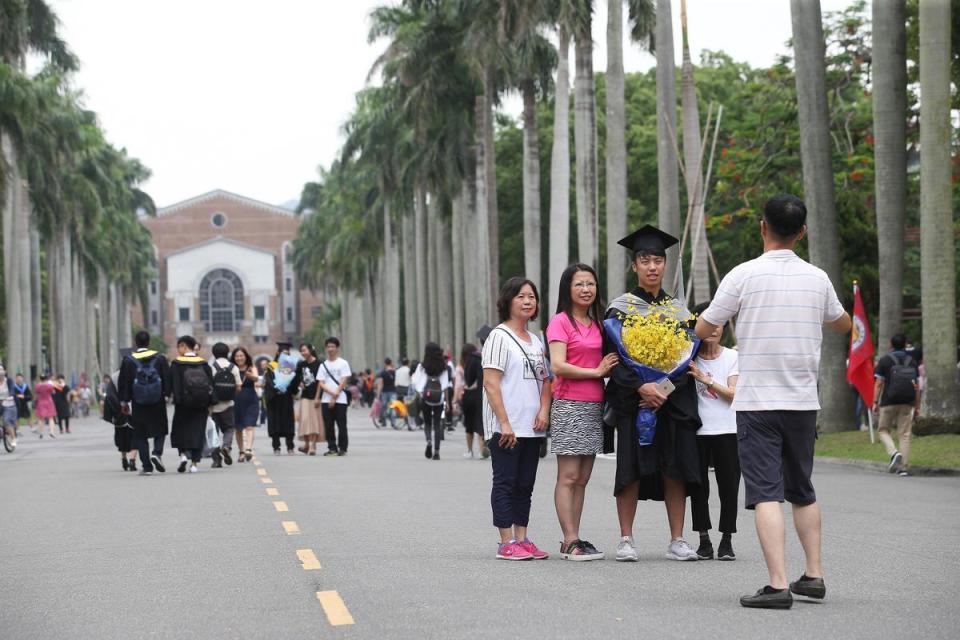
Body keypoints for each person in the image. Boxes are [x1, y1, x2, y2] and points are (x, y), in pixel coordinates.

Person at [697, 194, 851, 609]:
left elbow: (704, 325)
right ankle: (814, 576)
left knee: (766, 492)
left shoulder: (743, 275)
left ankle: (778, 584)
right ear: (802, 231)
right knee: (802, 489)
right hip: (802, 402)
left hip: (758, 401)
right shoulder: (817, 278)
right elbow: (843, 324)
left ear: (762, 227)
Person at [604, 225, 702, 563]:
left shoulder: (679, 312)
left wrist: (661, 389)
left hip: (671, 402)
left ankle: (677, 539)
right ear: (635, 266)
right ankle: (626, 539)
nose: (652, 266)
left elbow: (687, 361)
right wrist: (641, 387)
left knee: (674, 470)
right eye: (645, 260)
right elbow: (614, 360)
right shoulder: (619, 310)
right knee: (630, 470)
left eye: (658, 260)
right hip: (634, 402)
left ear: (664, 265)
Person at [547, 264, 619, 561]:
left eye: (591, 284)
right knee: (568, 475)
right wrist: (597, 371)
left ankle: (575, 536)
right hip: (568, 404)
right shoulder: (560, 322)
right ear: (568, 289)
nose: (586, 289)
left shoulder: (599, 324)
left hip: (594, 406)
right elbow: (558, 365)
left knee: (583, 477)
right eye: (579, 284)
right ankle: (569, 539)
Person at [482, 277, 552, 561]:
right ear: (508, 301)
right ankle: (505, 541)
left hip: (532, 427)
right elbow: (491, 383)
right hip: (506, 427)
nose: (527, 301)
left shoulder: (536, 340)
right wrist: (505, 423)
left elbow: (547, 381)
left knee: (526, 484)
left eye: (531, 297)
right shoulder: (498, 336)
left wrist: (544, 412)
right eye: (521, 296)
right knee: (505, 482)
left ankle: (522, 538)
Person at [687, 302, 740, 561]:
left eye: (718, 323)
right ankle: (704, 540)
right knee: (699, 488)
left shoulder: (732, 357)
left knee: (728, 486)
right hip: (697, 431)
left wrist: (705, 379)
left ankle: (727, 540)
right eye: (708, 323)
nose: (714, 329)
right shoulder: (687, 357)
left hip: (728, 430)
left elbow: (734, 394)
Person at [119, 331, 171, 474]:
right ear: (149, 343)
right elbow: (167, 378)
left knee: (140, 434)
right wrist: (167, 395)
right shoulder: (159, 358)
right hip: (157, 400)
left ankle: (147, 466)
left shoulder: (129, 360)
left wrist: (124, 402)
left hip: (138, 402)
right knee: (160, 429)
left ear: (136, 343)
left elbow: (124, 382)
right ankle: (157, 453)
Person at [873, 333, 921, 477]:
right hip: (907, 402)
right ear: (906, 344)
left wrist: (875, 401)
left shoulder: (884, 360)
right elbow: (916, 386)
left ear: (890, 345)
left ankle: (894, 453)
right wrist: (916, 406)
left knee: (882, 430)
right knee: (904, 434)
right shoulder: (912, 361)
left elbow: (879, 383)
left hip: (888, 401)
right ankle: (903, 468)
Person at [168, 336, 214, 473]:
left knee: (180, 430)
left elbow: (174, 384)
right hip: (201, 404)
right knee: (197, 432)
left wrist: (175, 399)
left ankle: (182, 455)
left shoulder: (177, 364)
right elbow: (210, 385)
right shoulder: (203, 364)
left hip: (183, 404)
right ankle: (194, 464)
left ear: (183, 346)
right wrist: (210, 404)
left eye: (179, 347)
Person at [412, 343, 453, 460]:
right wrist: (447, 403)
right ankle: (437, 451)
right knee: (437, 424)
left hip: (426, 398)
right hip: (439, 399)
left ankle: (429, 440)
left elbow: (416, 382)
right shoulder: (443, 367)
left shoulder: (422, 366)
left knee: (428, 423)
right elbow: (445, 386)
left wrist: (420, 393)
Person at [209, 342, 242, 468]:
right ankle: (227, 447)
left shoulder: (211, 367)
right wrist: (230, 394)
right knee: (228, 428)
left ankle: (216, 460)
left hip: (213, 406)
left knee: (214, 433)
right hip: (228, 404)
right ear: (227, 353)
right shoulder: (233, 367)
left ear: (214, 353)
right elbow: (239, 387)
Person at [263, 342, 299, 455]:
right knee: (275, 422)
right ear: (278, 353)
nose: (285, 354)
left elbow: (294, 380)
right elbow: (268, 381)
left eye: (287, 353)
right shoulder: (272, 365)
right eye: (283, 352)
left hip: (286, 398)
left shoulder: (290, 365)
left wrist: (290, 387)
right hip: (274, 398)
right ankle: (276, 446)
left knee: (288, 422)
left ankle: (290, 446)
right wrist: (276, 388)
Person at [318, 337, 351, 456]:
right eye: (328, 346)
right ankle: (332, 447)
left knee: (342, 424)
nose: (330, 349)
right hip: (326, 400)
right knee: (329, 425)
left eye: (333, 346)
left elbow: (344, 379)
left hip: (341, 400)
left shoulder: (343, 363)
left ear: (337, 348)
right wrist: (331, 394)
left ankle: (342, 448)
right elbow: (321, 382)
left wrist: (335, 395)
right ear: (326, 348)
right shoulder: (323, 365)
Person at [102, 371, 138, 472]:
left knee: (122, 438)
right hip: (133, 411)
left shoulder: (114, 378)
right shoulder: (135, 373)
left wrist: (116, 410)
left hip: (119, 414)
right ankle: (132, 461)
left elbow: (109, 397)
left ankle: (124, 459)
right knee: (135, 437)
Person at [232, 347, 260, 462]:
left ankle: (248, 449)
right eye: (237, 356)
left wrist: (250, 376)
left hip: (251, 399)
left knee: (249, 426)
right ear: (234, 358)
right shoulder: (232, 369)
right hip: (236, 399)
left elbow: (256, 378)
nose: (239, 358)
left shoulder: (251, 367)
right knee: (238, 428)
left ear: (246, 356)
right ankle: (241, 452)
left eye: (241, 355)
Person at [296, 343, 325, 455]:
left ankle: (313, 445)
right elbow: (297, 377)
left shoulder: (319, 364)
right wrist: (300, 383)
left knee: (314, 422)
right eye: (301, 351)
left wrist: (318, 397)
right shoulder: (301, 364)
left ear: (310, 350)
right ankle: (307, 444)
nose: (303, 353)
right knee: (305, 421)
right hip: (305, 396)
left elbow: (321, 382)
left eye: (304, 350)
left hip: (315, 397)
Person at [0, 365, 19, 451]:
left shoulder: (9, 381)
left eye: (1, 369)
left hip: (9, 404)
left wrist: (11, 396)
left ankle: (13, 438)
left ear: (5, 371)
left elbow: (12, 390)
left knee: (6, 420)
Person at [33, 373, 58, 439]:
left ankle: (41, 432)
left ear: (40, 379)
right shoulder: (49, 385)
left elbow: (36, 394)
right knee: (51, 418)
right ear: (46, 379)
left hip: (41, 402)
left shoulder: (37, 386)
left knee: (41, 418)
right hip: (49, 402)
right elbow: (53, 392)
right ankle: (51, 432)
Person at [377, 358, 398, 428]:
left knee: (384, 407)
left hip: (384, 392)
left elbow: (380, 384)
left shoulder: (382, 372)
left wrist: (378, 394)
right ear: (391, 363)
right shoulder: (395, 372)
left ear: (385, 364)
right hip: (393, 391)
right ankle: (393, 422)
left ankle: (383, 422)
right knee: (393, 407)